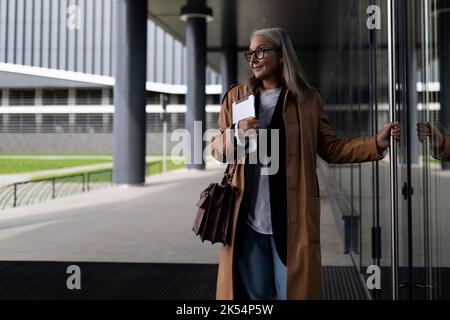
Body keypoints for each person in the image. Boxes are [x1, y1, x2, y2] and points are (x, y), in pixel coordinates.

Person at [210, 27, 401, 300]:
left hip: (292, 220)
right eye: (250, 53)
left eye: (261, 51)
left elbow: (331, 148)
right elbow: (218, 150)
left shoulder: (307, 100)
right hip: (246, 220)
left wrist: (377, 143)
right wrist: (237, 133)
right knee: (252, 297)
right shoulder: (235, 97)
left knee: (293, 291)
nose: (253, 58)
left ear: (281, 56)